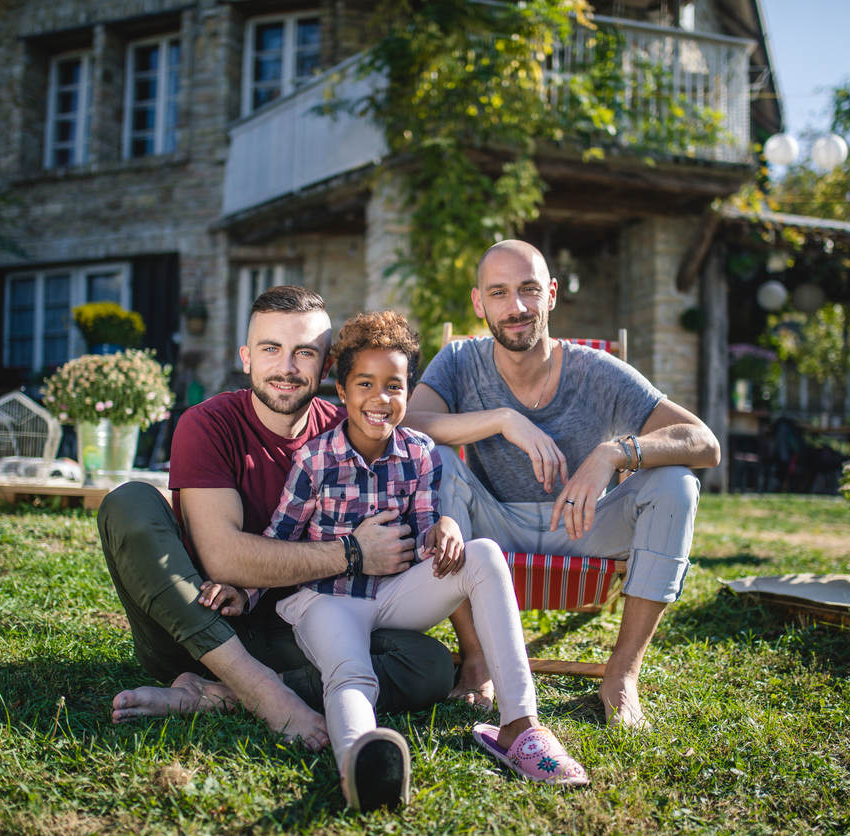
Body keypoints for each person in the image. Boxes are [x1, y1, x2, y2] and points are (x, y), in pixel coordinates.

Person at [199, 311, 589, 811]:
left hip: (394, 596)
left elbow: (427, 526)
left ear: (408, 392)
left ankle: (520, 724)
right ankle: (361, 758)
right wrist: (244, 589)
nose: (380, 399)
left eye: (394, 386)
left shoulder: (421, 453)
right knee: (351, 672)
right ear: (341, 390)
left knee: (484, 554)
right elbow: (282, 535)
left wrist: (445, 527)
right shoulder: (315, 459)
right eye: (365, 383)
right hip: (328, 600)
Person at [97, 286, 454, 750]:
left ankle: (217, 697)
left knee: (430, 665)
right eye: (271, 349)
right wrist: (353, 553)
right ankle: (262, 692)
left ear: (327, 368)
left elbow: (417, 435)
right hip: (198, 626)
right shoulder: (208, 424)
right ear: (247, 356)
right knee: (129, 502)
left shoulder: (350, 428)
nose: (286, 368)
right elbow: (223, 559)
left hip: (301, 630)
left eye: (304, 353)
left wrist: (502, 427)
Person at [403, 239, 720, 730]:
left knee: (676, 483)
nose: (517, 307)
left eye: (529, 290)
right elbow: (408, 427)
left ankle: (622, 674)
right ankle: (476, 658)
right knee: (437, 459)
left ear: (551, 294)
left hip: (582, 524)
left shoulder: (597, 372)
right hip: (493, 527)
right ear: (478, 302)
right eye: (500, 293)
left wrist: (615, 451)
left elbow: (704, 442)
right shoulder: (460, 360)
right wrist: (504, 419)